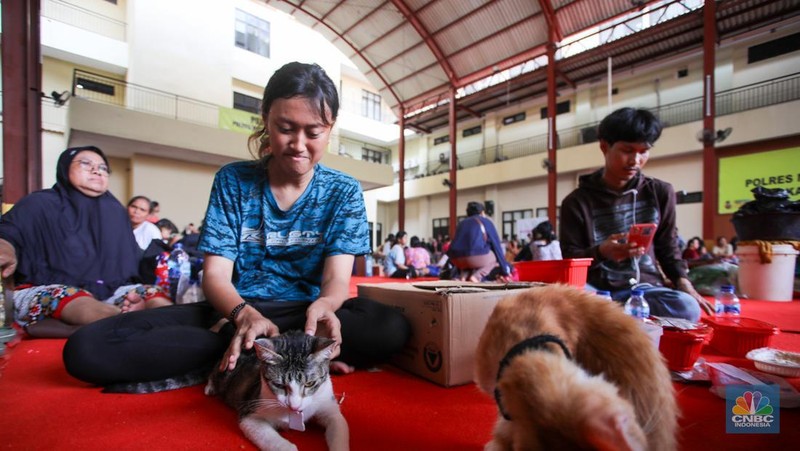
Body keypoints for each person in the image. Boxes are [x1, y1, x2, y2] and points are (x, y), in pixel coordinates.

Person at [63, 62, 411, 388]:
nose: (298, 145)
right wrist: (243, 316)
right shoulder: (234, 180)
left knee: (390, 327)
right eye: (285, 129)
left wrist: (326, 307)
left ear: (330, 127)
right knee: (87, 348)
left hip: (304, 317)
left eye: (313, 132)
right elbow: (215, 276)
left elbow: (336, 280)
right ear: (265, 119)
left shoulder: (344, 190)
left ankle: (258, 353)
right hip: (235, 311)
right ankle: (277, 355)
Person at [559, 107, 713, 321]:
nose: (635, 160)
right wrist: (602, 251)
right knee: (563, 301)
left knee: (687, 307)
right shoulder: (576, 202)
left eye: (643, 151)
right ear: (604, 147)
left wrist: (683, 282)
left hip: (645, 290)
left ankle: (611, 318)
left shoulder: (660, 192)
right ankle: (620, 317)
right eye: (627, 150)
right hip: (596, 291)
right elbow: (570, 260)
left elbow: (668, 247)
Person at [0, 146, 172, 338]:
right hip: (48, 286)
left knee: (158, 300)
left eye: (103, 167)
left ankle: (136, 326)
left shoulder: (115, 212)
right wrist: (5, 247)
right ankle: (126, 324)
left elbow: (128, 259)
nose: (97, 170)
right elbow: (8, 232)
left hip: (110, 290)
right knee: (88, 307)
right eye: (86, 164)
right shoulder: (39, 203)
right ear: (65, 168)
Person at [447, 201, 511, 282]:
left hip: (456, 260)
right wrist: (505, 270)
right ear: (482, 212)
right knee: (493, 256)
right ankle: (476, 277)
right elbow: (497, 247)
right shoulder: (486, 221)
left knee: (468, 259)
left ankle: (462, 277)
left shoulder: (461, 223)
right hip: (475, 259)